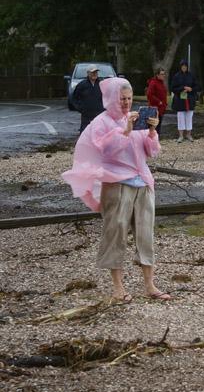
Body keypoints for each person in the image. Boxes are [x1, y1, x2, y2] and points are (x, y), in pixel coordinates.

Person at [62, 77, 171, 302]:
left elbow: (151, 152)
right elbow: (107, 151)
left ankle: (150, 285)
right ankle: (118, 287)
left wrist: (151, 131)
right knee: (116, 233)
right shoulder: (101, 122)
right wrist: (126, 130)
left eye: (129, 98)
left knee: (145, 234)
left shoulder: (135, 118)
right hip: (117, 184)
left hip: (142, 183)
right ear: (112, 98)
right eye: (122, 99)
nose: (126, 103)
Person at [170, 59, 199, 142]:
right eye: (182, 66)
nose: (184, 67)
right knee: (180, 117)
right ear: (180, 67)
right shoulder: (176, 76)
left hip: (190, 99)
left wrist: (191, 89)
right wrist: (183, 88)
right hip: (180, 100)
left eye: (185, 66)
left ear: (187, 67)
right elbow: (173, 88)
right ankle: (181, 136)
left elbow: (197, 86)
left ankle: (189, 135)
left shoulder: (191, 76)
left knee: (189, 117)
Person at [71, 64, 105, 133]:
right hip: (86, 116)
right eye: (92, 72)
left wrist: (104, 108)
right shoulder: (82, 85)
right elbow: (74, 98)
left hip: (99, 115)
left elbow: (107, 97)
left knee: (99, 133)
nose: (94, 74)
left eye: (96, 72)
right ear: (88, 73)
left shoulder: (102, 84)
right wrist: (80, 108)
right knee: (85, 133)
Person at [146, 68, 168, 135]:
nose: (163, 75)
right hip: (155, 109)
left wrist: (165, 104)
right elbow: (149, 94)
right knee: (154, 127)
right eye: (162, 74)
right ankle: (152, 142)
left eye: (164, 74)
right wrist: (158, 101)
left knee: (158, 126)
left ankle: (156, 141)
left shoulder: (161, 83)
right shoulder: (153, 82)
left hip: (161, 108)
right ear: (157, 75)